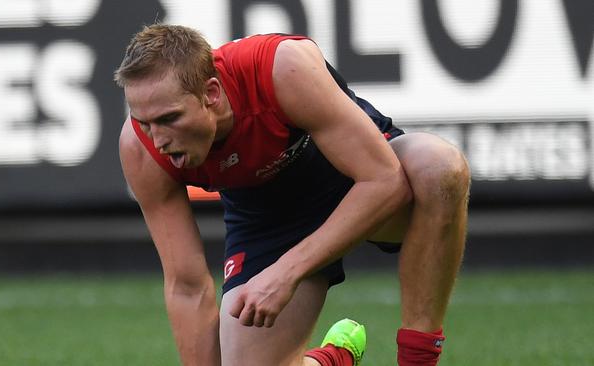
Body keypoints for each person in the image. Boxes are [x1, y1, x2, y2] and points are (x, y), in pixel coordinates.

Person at [115, 24, 470, 366]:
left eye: (169, 118)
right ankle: (333, 358)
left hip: (356, 179)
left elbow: (385, 182)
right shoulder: (141, 148)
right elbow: (187, 286)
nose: (158, 140)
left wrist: (286, 272)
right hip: (268, 220)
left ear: (211, 93)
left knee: (439, 168)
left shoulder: (281, 67)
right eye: (144, 123)